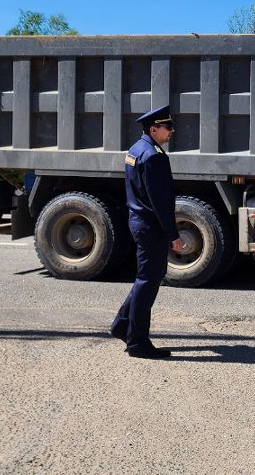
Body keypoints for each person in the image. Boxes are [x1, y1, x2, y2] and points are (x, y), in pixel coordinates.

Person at [110, 105, 182, 359]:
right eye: (168, 127)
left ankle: (121, 324)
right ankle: (137, 342)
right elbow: (160, 201)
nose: (172, 131)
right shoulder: (153, 156)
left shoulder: (136, 150)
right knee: (148, 281)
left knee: (146, 278)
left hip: (139, 221)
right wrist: (173, 234)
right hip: (151, 226)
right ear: (154, 129)